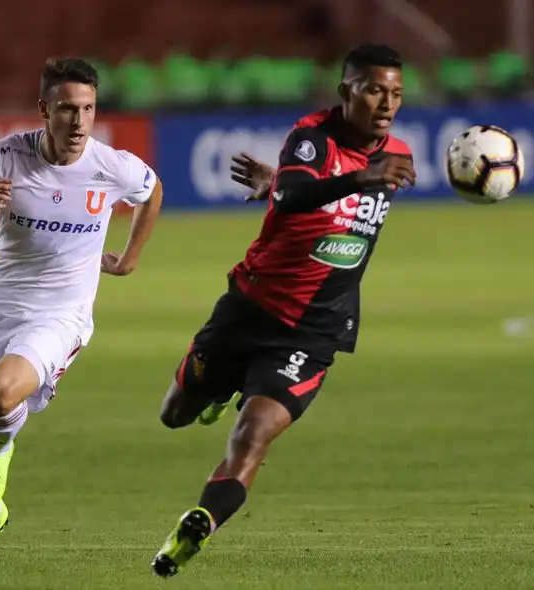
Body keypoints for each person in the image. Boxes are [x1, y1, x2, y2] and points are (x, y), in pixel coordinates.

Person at [150, 43, 416, 577]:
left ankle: (199, 523)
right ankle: (217, 391)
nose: (386, 103)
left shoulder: (397, 153)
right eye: (373, 90)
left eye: (395, 93)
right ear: (346, 91)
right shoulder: (312, 136)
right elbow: (298, 195)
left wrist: (281, 186)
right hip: (250, 307)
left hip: (314, 331)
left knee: (253, 436)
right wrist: (333, 181)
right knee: (174, 414)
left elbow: (305, 199)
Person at [0, 58, 162, 554]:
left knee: (3, 393)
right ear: (44, 110)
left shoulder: (111, 166)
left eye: (87, 108)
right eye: (67, 109)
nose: (79, 122)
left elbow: (152, 193)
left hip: (61, 314)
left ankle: (1, 456)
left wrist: (127, 261)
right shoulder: (8, 156)